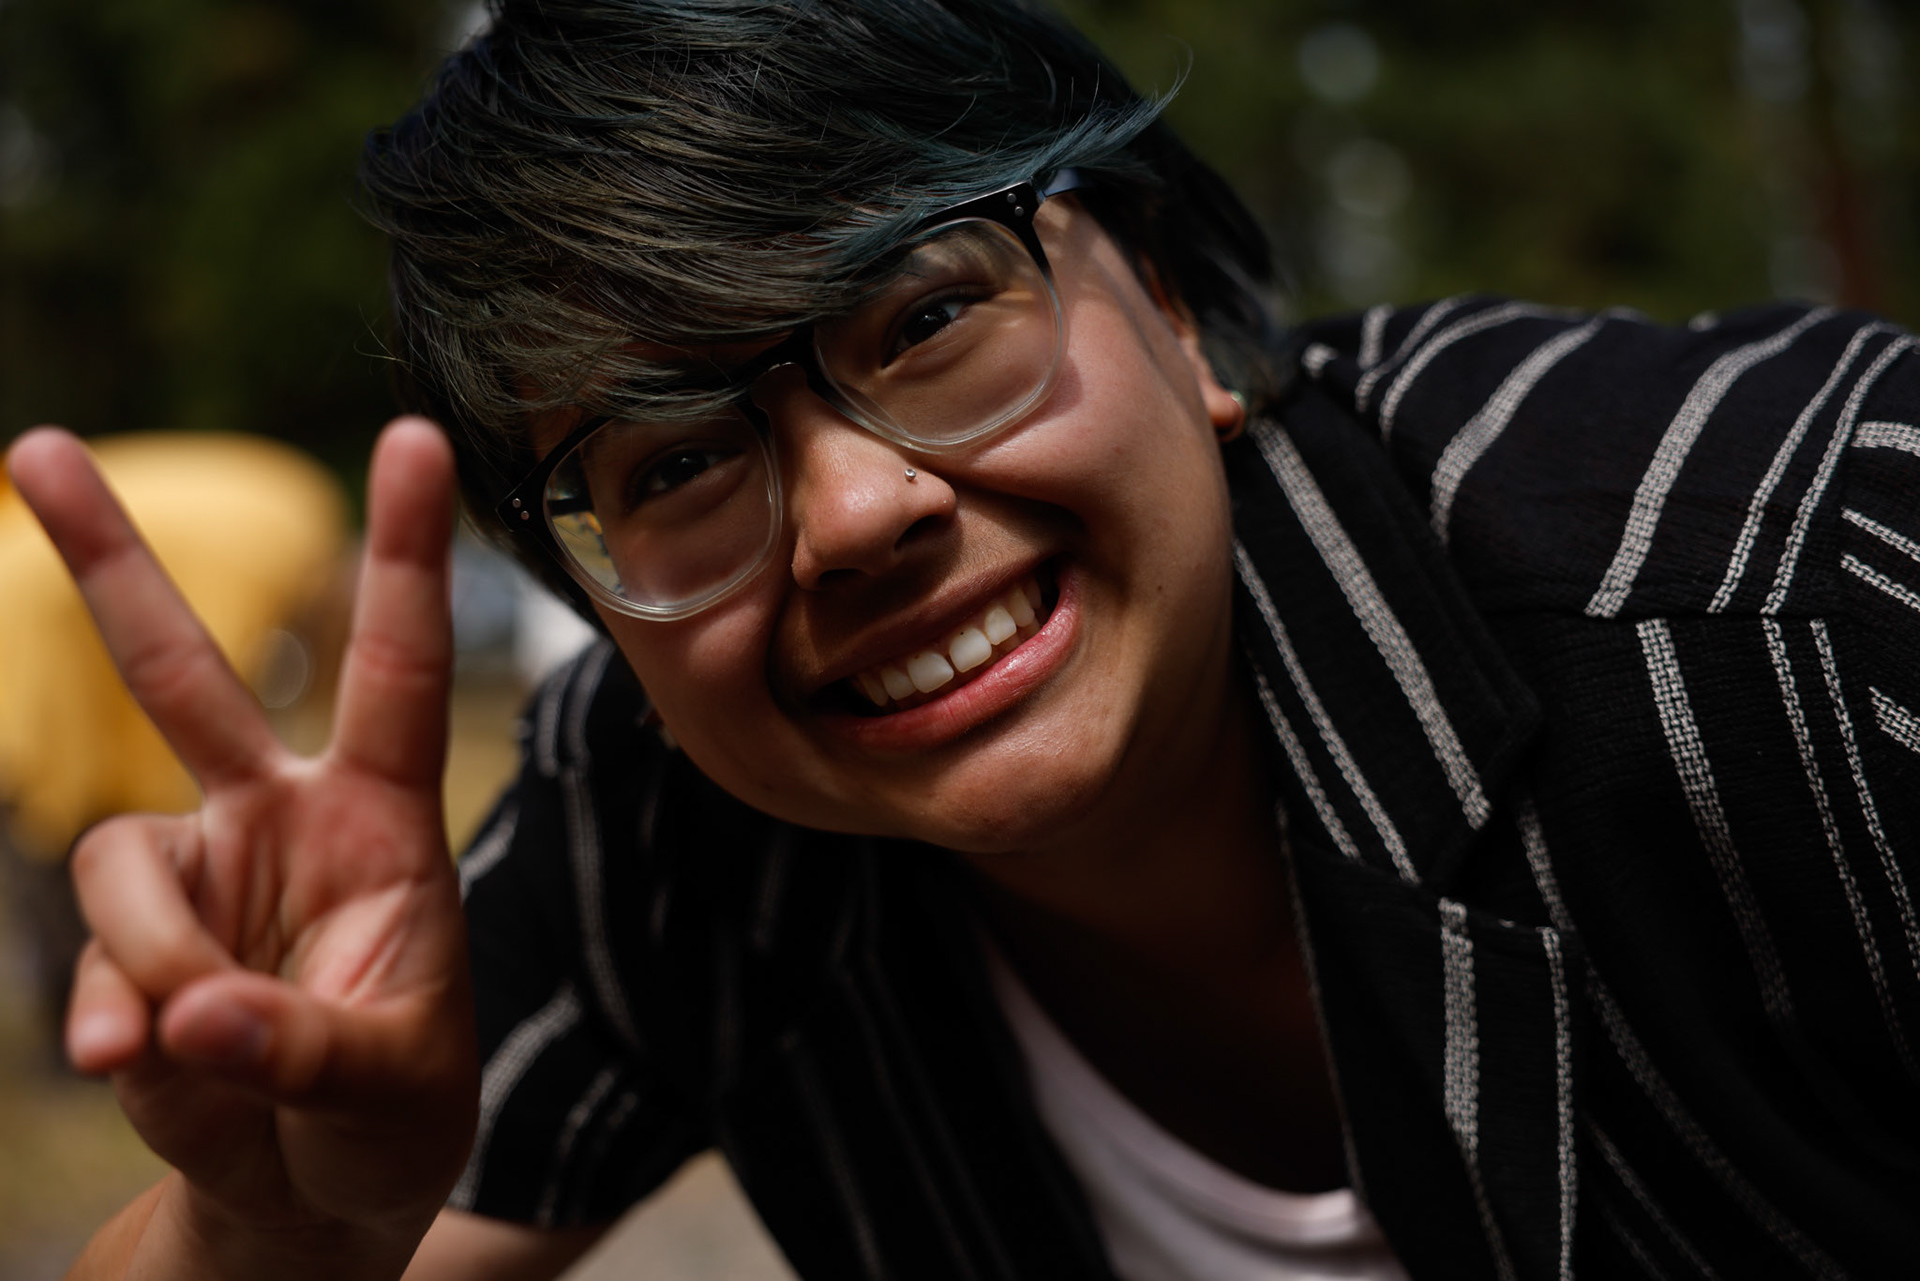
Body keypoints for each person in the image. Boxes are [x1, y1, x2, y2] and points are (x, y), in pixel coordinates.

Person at [9, 0, 1919, 1277]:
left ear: (1172, 302)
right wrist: (270, 1241)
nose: (856, 515)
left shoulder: (1805, 595)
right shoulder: (668, 825)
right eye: (680, 457)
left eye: (926, 320)